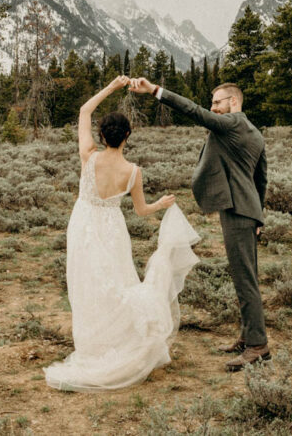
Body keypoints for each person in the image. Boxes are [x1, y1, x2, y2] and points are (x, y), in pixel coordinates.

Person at [44, 75, 201, 392]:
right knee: (118, 280)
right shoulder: (133, 172)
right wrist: (162, 203)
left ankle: (93, 346)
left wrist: (112, 88)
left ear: (101, 134)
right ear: (127, 135)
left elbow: (84, 111)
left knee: (86, 284)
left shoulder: (89, 155)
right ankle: (120, 339)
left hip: (83, 224)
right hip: (113, 228)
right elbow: (142, 211)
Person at [129, 78, 269, 371]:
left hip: (238, 211)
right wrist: (260, 216)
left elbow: (192, 111)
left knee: (245, 279)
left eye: (217, 102)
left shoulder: (231, 123)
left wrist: (156, 90)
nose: (212, 107)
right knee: (245, 275)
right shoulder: (254, 132)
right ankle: (248, 336)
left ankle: (258, 346)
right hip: (246, 211)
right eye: (213, 103)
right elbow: (261, 179)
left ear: (233, 102)